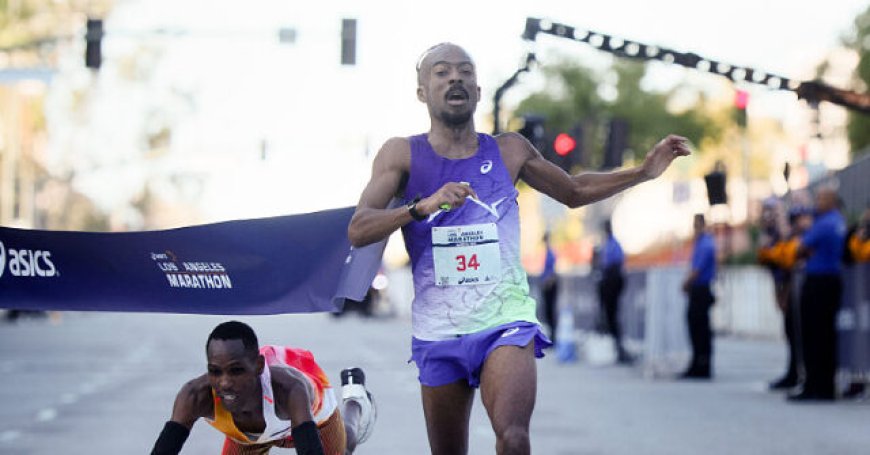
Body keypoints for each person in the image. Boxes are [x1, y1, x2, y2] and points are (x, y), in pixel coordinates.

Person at [347, 42, 690, 454]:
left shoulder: (509, 150)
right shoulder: (401, 153)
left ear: (478, 90)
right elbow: (359, 228)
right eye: (442, 72)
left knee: (513, 438)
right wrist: (421, 206)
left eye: (465, 71)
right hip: (439, 330)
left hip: (504, 322)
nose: (455, 77)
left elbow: (574, 190)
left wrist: (643, 172)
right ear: (422, 92)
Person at [150, 321, 376, 455]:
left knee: (345, 447)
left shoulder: (289, 389)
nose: (224, 383)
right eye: (215, 371)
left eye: (236, 371)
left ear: (258, 366)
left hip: (313, 420)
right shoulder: (194, 396)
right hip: (248, 438)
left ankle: (355, 399)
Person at [787, 188, 846, 402]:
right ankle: (826, 386)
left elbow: (801, 247)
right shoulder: (838, 221)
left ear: (831, 201)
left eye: (821, 198)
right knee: (827, 336)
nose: (817, 202)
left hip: (818, 283)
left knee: (813, 336)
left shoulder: (824, 223)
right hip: (831, 281)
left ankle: (813, 386)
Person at [757, 201, 810, 390]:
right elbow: (767, 258)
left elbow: (789, 261)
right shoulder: (775, 238)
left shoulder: (797, 237)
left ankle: (800, 373)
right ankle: (793, 372)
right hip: (783, 286)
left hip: (794, 287)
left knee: (798, 333)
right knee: (790, 332)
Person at [679, 213, 717, 379]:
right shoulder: (700, 242)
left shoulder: (705, 244)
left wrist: (686, 283)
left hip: (701, 289)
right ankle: (697, 363)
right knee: (696, 328)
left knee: (700, 329)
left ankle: (702, 365)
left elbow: (697, 270)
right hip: (698, 289)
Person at [596, 219, 631, 363]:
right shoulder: (606, 244)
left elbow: (615, 263)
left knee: (612, 315)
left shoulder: (614, 244)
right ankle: (615, 348)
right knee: (608, 315)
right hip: (607, 281)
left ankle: (619, 348)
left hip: (612, 281)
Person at [539, 232, 559, 343]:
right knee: (548, 312)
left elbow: (551, 272)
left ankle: (553, 336)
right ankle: (552, 335)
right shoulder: (548, 253)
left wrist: (547, 283)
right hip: (547, 285)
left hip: (550, 286)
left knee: (550, 311)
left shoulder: (550, 253)